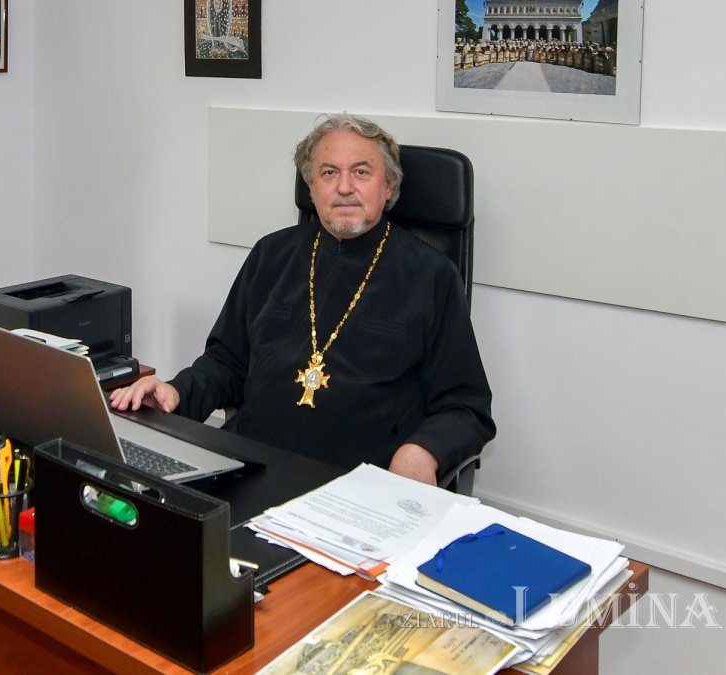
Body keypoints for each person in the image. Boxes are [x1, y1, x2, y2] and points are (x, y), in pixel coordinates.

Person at [109, 114, 495, 486]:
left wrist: (424, 451)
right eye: (329, 173)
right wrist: (177, 391)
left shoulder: (431, 276)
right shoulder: (271, 255)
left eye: (361, 172)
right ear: (311, 188)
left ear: (389, 186)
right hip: (248, 466)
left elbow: (466, 406)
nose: (345, 187)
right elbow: (227, 362)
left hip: (357, 483)